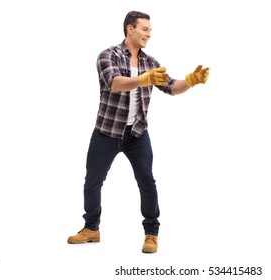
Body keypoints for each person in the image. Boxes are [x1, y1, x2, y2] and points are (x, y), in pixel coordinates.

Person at [67, 11, 209, 253]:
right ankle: (91, 228)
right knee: (92, 182)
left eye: (150, 30)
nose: (149, 34)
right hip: (106, 132)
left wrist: (190, 81)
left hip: (137, 134)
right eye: (145, 29)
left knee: (147, 181)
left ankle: (151, 234)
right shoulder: (107, 55)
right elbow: (114, 83)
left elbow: (172, 87)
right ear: (130, 29)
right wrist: (144, 80)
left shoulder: (150, 63)